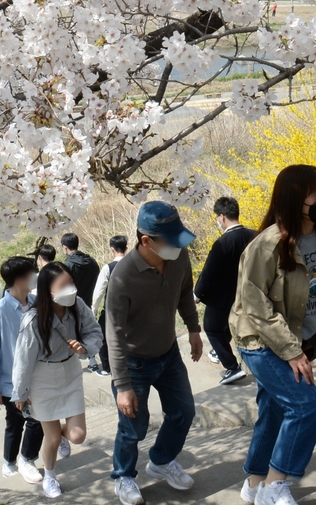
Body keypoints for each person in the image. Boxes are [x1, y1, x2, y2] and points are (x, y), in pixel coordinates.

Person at [230, 164, 316, 505]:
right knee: (307, 407)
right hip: (262, 341)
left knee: (275, 410)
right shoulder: (268, 244)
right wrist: (292, 351)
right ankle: (275, 486)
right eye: (315, 191)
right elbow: (254, 304)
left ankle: (254, 482)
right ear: (294, 197)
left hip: (298, 340)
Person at [106, 201, 203, 505]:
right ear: (146, 241)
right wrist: (122, 386)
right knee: (134, 425)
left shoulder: (178, 255)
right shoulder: (123, 276)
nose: (179, 244)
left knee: (184, 411)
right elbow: (114, 334)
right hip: (134, 363)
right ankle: (123, 476)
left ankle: (161, 461)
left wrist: (193, 328)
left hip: (169, 353)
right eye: (171, 239)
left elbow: (185, 291)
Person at [12, 262, 103, 499]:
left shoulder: (78, 305)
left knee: (78, 435)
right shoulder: (33, 319)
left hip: (71, 374)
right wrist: (20, 393)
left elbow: (95, 331)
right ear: (47, 290)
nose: (70, 289)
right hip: (43, 379)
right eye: (63, 286)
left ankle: (65, 437)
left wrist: (85, 348)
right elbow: (23, 359)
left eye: (71, 283)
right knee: (51, 438)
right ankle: (50, 477)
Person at [0, 257, 45, 484]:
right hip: (12, 382)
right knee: (16, 422)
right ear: (20, 279)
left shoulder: (38, 302)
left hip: (38, 377)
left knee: (37, 421)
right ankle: (11, 460)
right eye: (32, 273)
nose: (36, 276)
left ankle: (26, 458)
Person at [195, 197, 256, 385]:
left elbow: (209, 272)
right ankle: (218, 351)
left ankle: (232, 367)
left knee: (212, 328)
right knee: (228, 327)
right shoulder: (256, 236)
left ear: (222, 217)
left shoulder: (223, 242)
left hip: (223, 297)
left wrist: (197, 294)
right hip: (250, 294)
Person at [88, 235, 128, 376]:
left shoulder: (108, 268)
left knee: (104, 337)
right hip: (132, 309)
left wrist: (93, 309)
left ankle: (106, 367)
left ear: (112, 250)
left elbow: (98, 292)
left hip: (111, 310)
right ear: (126, 248)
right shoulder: (134, 265)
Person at [61, 233, 100, 307]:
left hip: (73, 306)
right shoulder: (92, 261)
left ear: (65, 248)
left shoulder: (68, 265)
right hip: (88, 305)